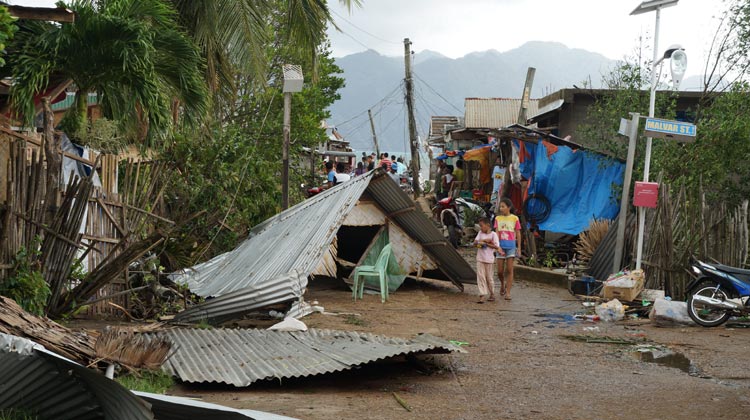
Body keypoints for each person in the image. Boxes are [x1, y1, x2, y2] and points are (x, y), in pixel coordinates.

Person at [494, 198, 521, 300]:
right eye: (500, 207)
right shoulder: (497, 219)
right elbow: (496, 232)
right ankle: (502, 284)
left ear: (509, 207)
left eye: (503, 206)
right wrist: (497, 246)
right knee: (500, 271)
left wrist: (519, 248)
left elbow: (518, 233)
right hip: (500, 246)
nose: (501, 208)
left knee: (509, 269)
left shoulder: (515, 219)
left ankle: (508, 292)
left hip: (511, 247)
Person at [474, 217, 499, 303]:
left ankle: (492, 293)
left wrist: (487, 243)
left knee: (489, 278)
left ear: (488, 225)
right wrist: (482, 241)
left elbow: (496, 246)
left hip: (489, 259)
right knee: (481, 277)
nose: (481, 228)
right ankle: (482, 294)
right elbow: (475, 243)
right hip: (480, 258)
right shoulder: (480, 233)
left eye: (482, 226)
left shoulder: (493, 235)